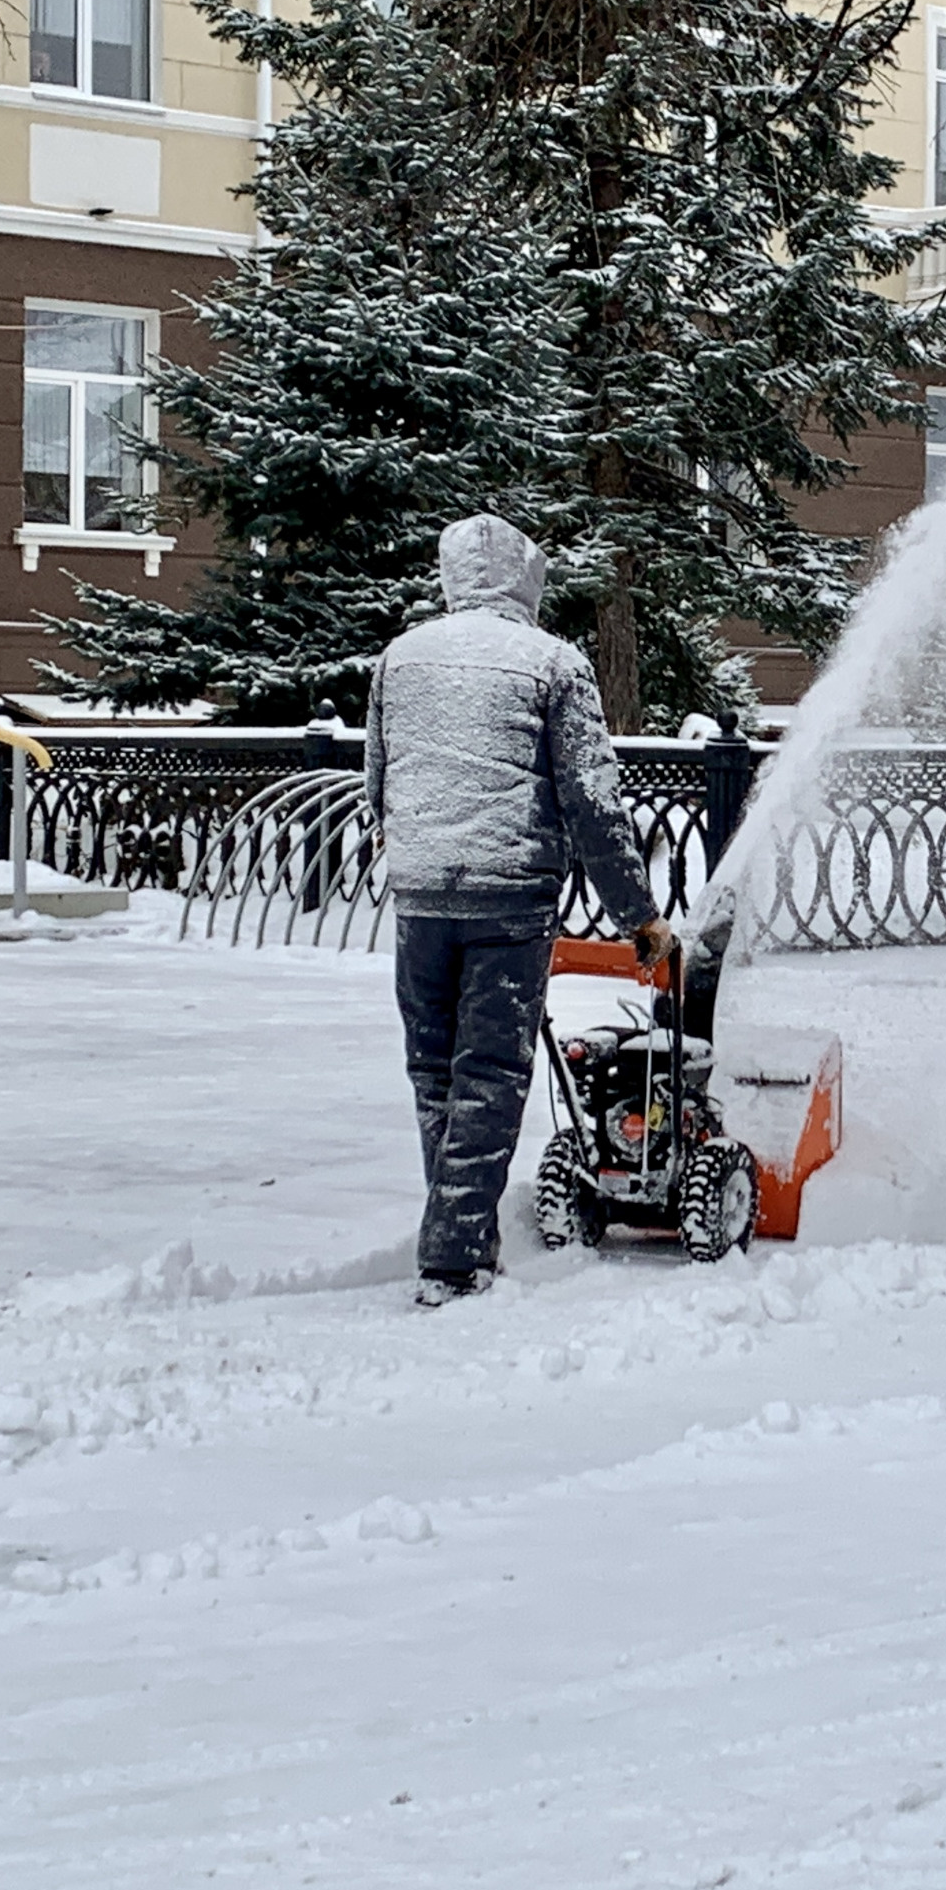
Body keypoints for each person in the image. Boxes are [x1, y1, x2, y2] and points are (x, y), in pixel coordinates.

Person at [365, 514, 676, 1306]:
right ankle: (456, 1257)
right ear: (527, 581)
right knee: (491, 1075)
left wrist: (415, 856)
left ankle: (459, 1234)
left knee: (435, 1073)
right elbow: (593, 803)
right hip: (509, 900)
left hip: (422, 898)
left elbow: (378, 782)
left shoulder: (401, 660)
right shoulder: (554, 664)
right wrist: (638, 914)